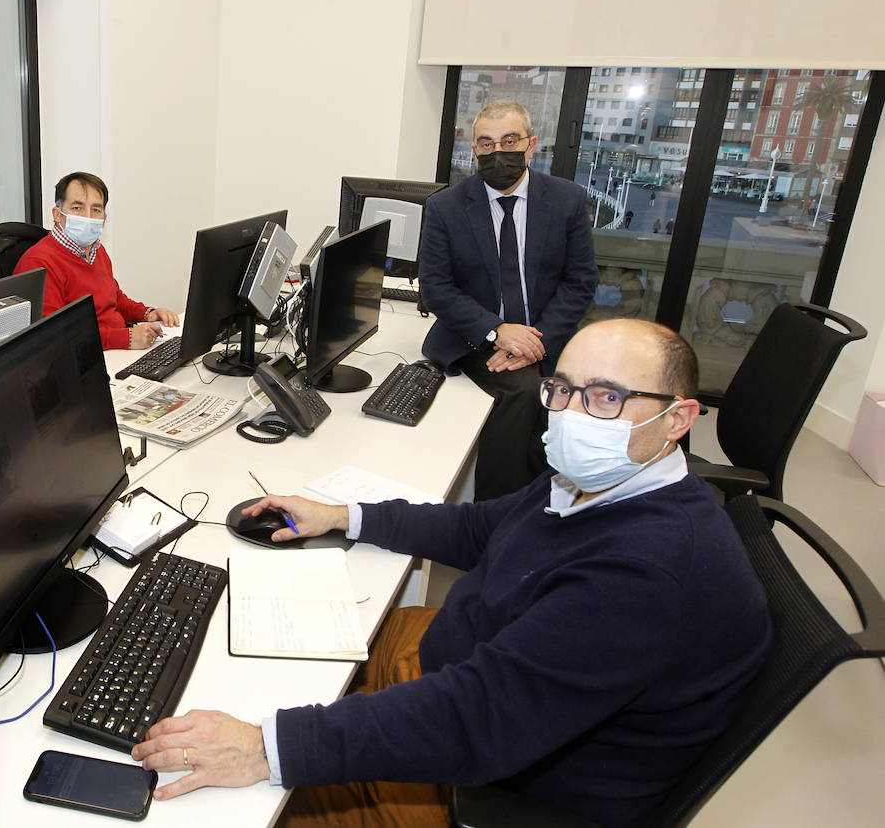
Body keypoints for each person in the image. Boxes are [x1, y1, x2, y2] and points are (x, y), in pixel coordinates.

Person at [132, 319, 772, 828]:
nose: (573, 414)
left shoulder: (643, 575)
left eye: (607, 397)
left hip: (503, 777)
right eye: (563, 389)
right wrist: (343, 515)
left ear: (679, 419)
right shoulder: (605, 483)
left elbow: (477, 718)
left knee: (238, 807)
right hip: (472, 663)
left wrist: (266, 748)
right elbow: (479, 528)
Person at [417, 100, 598, 499]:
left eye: (509, 140)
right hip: (474, 334)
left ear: (530, 146)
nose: (497, 152)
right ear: (474, 151)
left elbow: (580, 281)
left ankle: (552, 508)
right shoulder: (445, 207)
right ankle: (493, 517)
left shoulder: (566, 200)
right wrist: (498, 332)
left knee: (585, 397)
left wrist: (535, 342)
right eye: (486, 143)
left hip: (548, 332)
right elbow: (436, 288)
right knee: (522, 391)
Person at [14, 171, 179, 349]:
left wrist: (148, 313)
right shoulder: (39, 262)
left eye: (96, 210)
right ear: (57, 214)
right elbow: (55, 334)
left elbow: (115, 299)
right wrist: (125, 338)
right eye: (77, 208)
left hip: (114, 351)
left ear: (104, 219)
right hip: (81, 359)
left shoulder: (97, 251)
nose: (87, 217)